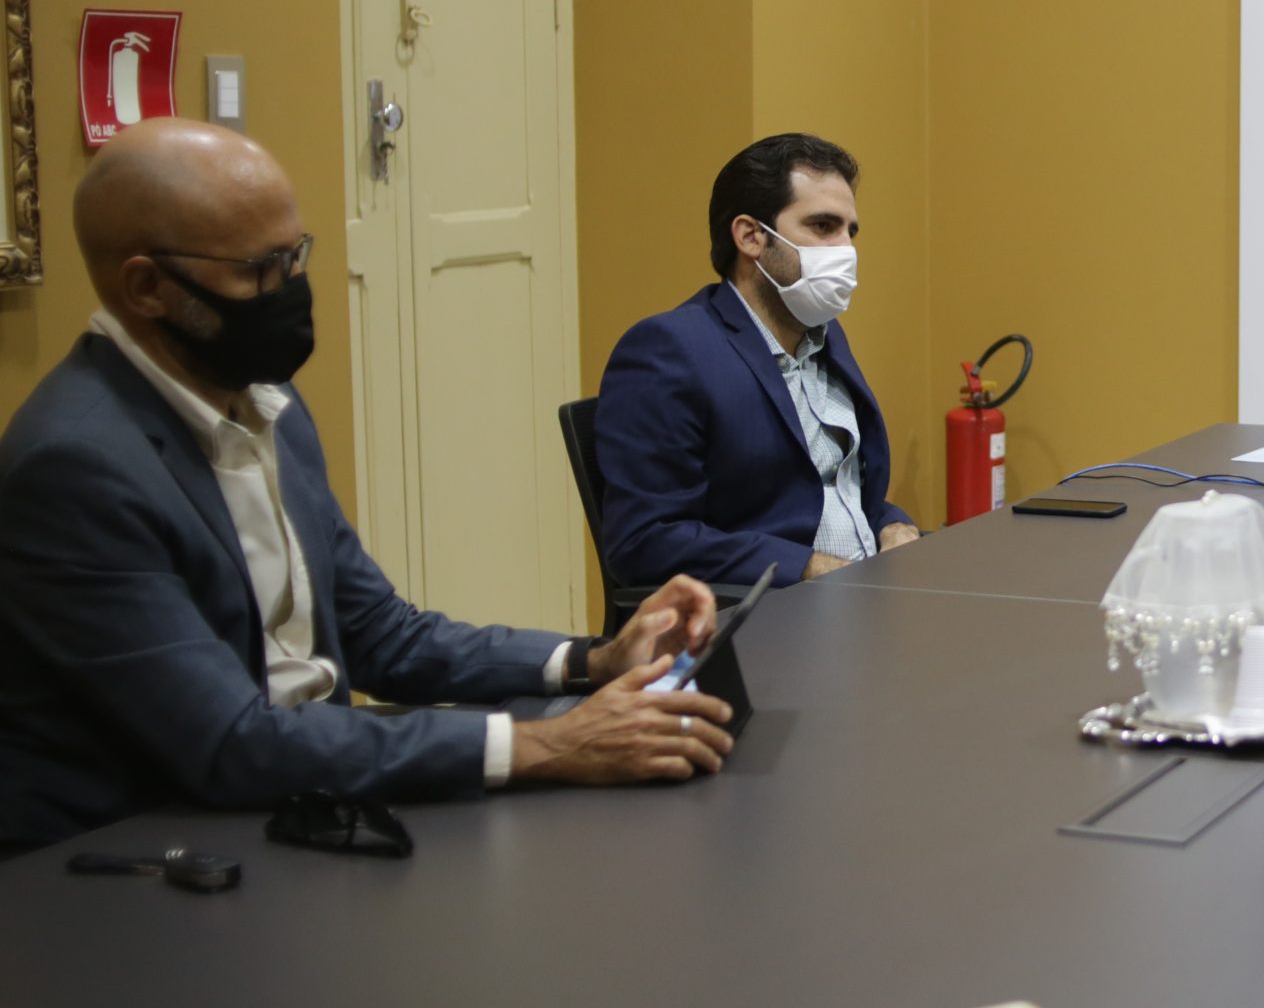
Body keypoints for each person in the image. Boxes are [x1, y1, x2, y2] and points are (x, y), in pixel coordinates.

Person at [0, 121, 734, 857]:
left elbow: (381, 633)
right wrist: (548, 744)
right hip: (143, 852)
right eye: (261, 270)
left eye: (297, 255)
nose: (292, 288)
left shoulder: (267, 402)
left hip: (297, 788)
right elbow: (227, 742)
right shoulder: (77, 468)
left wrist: (593, 660)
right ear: (146, 288)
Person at [596, 133, 918, 589]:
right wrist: (807, 568)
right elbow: (645, 540)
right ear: (751, 236)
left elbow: (833, 483)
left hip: (871, 592)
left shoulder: (824, 335)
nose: (845, 249)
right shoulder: (669, 350)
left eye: (850, 231)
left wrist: (892, 523)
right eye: (823, 226)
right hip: (772, 613)